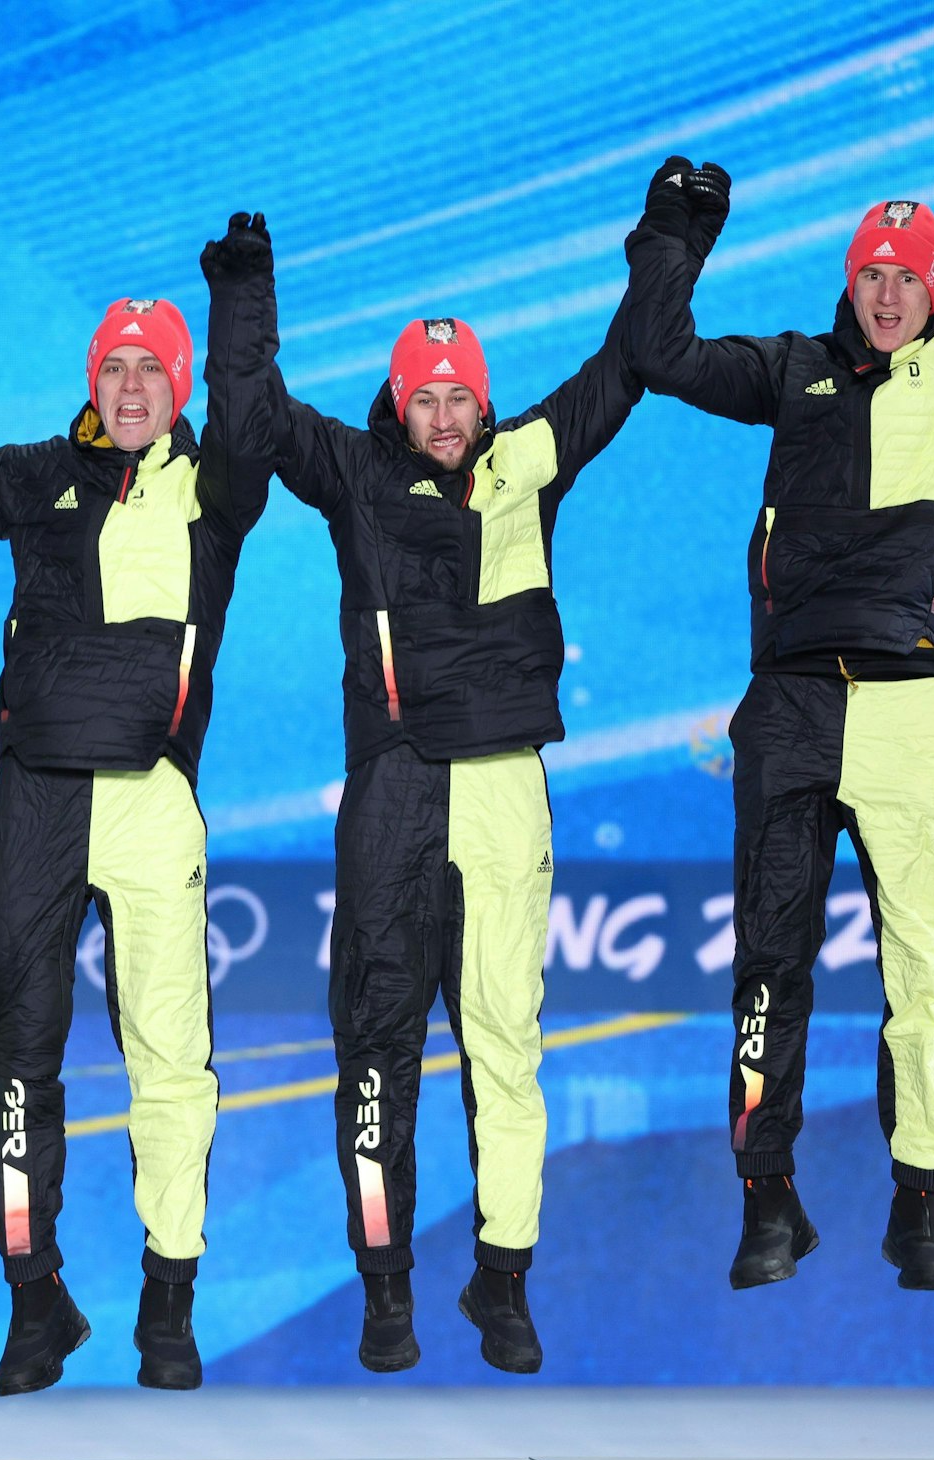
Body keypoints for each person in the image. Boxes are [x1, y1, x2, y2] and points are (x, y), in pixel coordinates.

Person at [621, 3, 934, 1292]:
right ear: (850, 282)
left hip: (904, 708)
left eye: (907, 277)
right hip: (783, 708)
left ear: (933, 289)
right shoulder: (792, 372)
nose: (886, 294)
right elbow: (657, 353)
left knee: (928, 963)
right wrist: (671, 238)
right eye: (869, 275)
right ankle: (766, 1201)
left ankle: (918, 1205)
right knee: (768, 959)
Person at [0, 215, 278, 1394]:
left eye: (148, 368)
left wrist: (239, 301)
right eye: (111, 366)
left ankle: (168, 1301)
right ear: (88, 382)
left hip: (152, 800)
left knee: (170, 1055)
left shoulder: (217, 492)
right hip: (35, 796)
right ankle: (34, 1296)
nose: (127, 386)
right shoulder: (32, 477)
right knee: (13, 1048)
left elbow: (254, 415)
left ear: (176, 385)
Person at [262, 253, 645, 1373]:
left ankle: (503, 1281)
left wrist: (665, 247)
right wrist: (246, 304)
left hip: (505, 788)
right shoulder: (353, 472)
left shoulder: (528, 461)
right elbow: (259, 414)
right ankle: (387, 1292)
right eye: (421, 396)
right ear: (397, 403)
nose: (441, 415)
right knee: (377, 1045)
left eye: (458, 396)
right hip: (393, 785)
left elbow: (621, 369)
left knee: (503, 1045)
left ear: (484, 402)